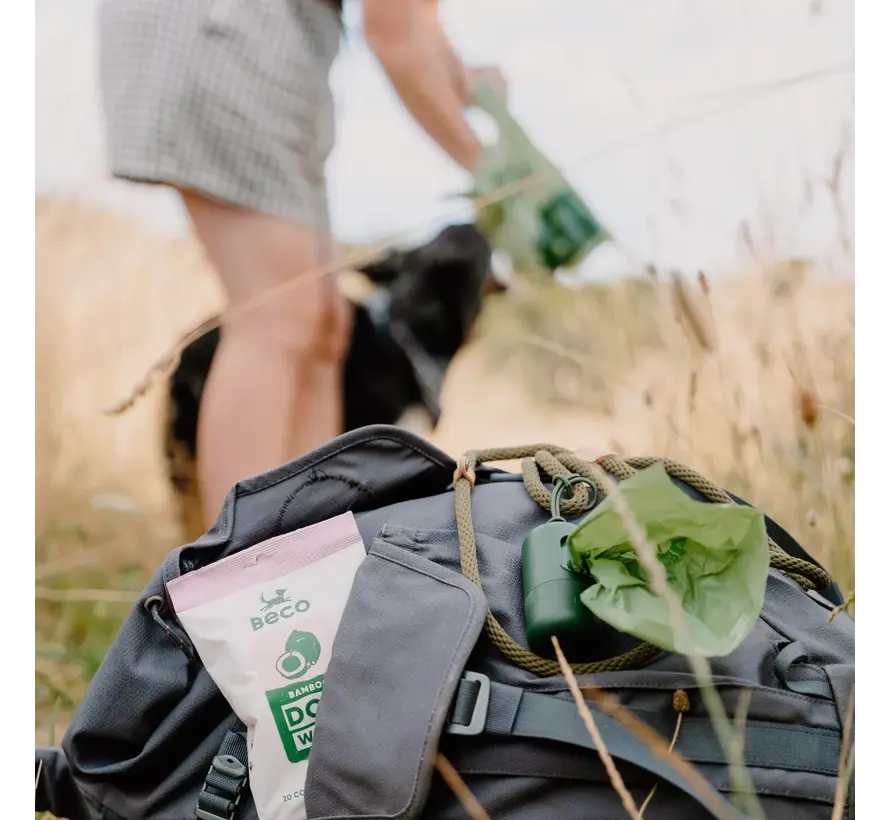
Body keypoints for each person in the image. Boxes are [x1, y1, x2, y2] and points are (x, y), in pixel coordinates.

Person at [98, 0, 506, 528]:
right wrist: (494, 172)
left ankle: (302, 557)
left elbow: (416, 18)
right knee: (279, 320)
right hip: (223, 32)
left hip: (273, 49)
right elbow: (395, 30)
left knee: (323, 325)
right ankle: (233, 573)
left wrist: (457, 74)